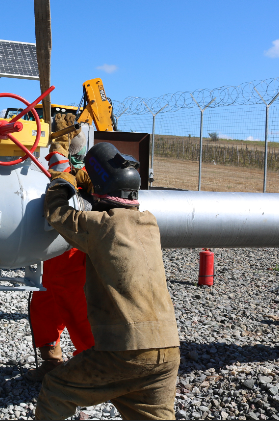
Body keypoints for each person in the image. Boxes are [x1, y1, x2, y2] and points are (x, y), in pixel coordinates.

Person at [36, 142, 180, 420]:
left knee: (56, 389)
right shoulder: (150, 223)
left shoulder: (101, 225)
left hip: (125, 351)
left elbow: (57, 213)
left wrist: (62, 180)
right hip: (168, 350)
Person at [25, 119, 95, 382]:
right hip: (51, 257)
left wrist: (60, 153)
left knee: (78, 312)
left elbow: (64, 181)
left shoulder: (88, 178)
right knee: (45, 308)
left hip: (73, 257)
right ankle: (52, 361)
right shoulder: (54, 173)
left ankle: (92, 369)